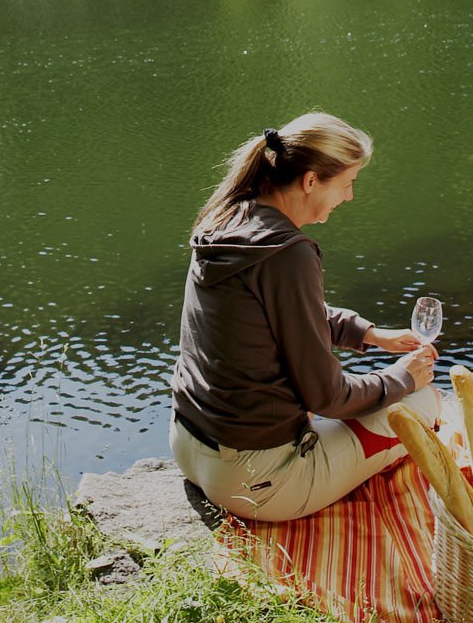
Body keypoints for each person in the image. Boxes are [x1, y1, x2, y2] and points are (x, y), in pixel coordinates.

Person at [171, 113, 441, 522]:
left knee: (333, 404)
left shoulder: (229, 217)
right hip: (256, 483)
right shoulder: (287, 253)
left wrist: (371, 334)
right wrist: (404, 377)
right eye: (347, 184)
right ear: (311, 180)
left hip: (190, 446)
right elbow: (328, 398)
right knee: (424, 404)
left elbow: (282, 313)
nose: (349, 196)